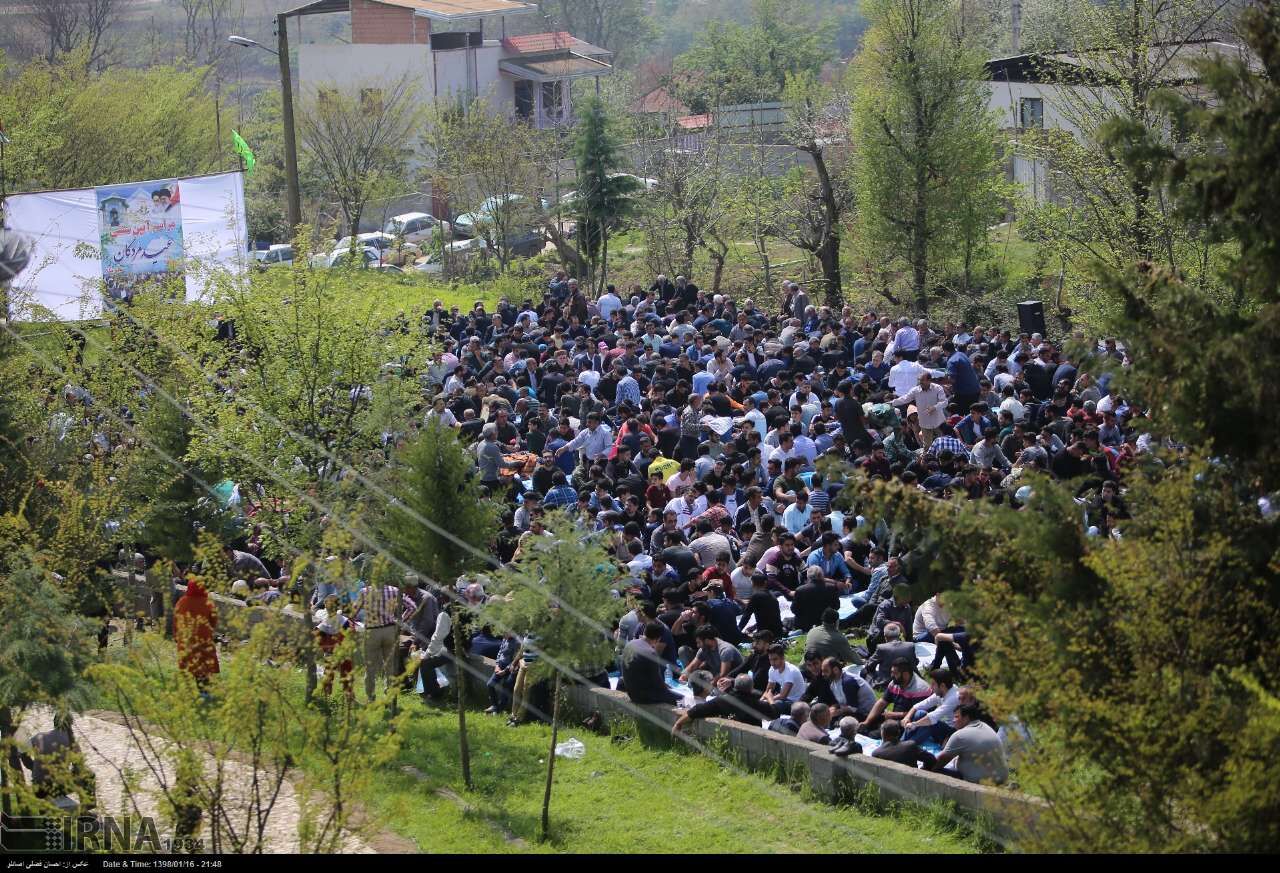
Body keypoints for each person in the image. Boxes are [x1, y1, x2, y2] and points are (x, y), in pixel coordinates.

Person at [671, 674, 773, 734]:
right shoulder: (756, 703)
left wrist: (678, 723)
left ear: (735, 686)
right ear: (751, 688)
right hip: (753, 737)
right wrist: (770, 699)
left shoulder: (721, 701)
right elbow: (773, 714)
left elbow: (696, 710)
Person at [936, 703, 1009, 784]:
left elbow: (941, 761)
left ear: (966, 718)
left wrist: (925, 769)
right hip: (1002, 779)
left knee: (936, 772)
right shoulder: (986, 727)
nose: (953, 720)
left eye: (956, 717)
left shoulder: (960, 735)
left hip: (981, 782)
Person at [173, 578, 219, 689]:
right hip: (203, 639)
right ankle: (204, 690)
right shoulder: (208, 603)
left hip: (186, 638)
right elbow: (213, 621)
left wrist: (176, 636)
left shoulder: (181, 602)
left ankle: (188, 688)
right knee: (204, 663)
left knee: (189, 661)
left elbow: (176, 621)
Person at [621, 623, 681, 705]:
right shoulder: (651, 653)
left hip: (630, 691)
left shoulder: (630, 643)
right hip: (642, 696)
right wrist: (669, 692)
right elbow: (657, 683)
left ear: (644, 631)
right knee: (679, 698)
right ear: (658, 638)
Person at [902, 668, 960, 746]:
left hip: (953, 732)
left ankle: (907, 746)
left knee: (930, 723)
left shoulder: (953, 697)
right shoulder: (944, 690)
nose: (931, 687)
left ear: (942, 685)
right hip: (944, 726)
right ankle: (901, 742)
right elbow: (919, 705)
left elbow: (932, 718)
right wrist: (907, 717)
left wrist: (914, 724)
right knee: (920, 713)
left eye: (933, 684)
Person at [806, 657, 876, 721]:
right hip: (854, 711)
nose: (823, 674)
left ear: (835, 670)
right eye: (822, 671)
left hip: (867, 713)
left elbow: (853, 708)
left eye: (826, 671)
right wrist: (833, 708)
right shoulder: (833, 682)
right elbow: (840, 702)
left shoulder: (848, 682)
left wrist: (835, 712)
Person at [870, 719, 937, 770]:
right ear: (899, 733)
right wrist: (923, 770)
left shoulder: (876, 753)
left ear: (883, 734)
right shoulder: (910, 746)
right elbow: (931, 759)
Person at [761, 643, 808, 716]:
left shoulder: (791, 671)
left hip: (796, 702)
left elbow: (783, 695)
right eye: (770, 660)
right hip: (784, 699)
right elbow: (769, 690)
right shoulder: (772, 669)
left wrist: (769, 700)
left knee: (776, 704)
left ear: (782, 658)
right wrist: (760, 701)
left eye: (775, 659)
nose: (772, 663)